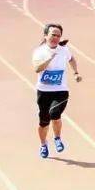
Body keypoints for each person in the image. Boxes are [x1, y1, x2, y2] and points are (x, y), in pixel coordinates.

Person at [32, 23, 81, 159]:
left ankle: (57, 138)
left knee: (54, 113)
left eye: (58, 35)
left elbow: (72, 59)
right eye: (53, 34)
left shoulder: (64, 50)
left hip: (60, 91)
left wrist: (76, 72)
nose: (56, 38)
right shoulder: (39, 51)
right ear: (46, 35)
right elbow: (37, 68)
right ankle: (43, 144)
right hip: (43, 91)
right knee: (44, 121)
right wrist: (49, 58)